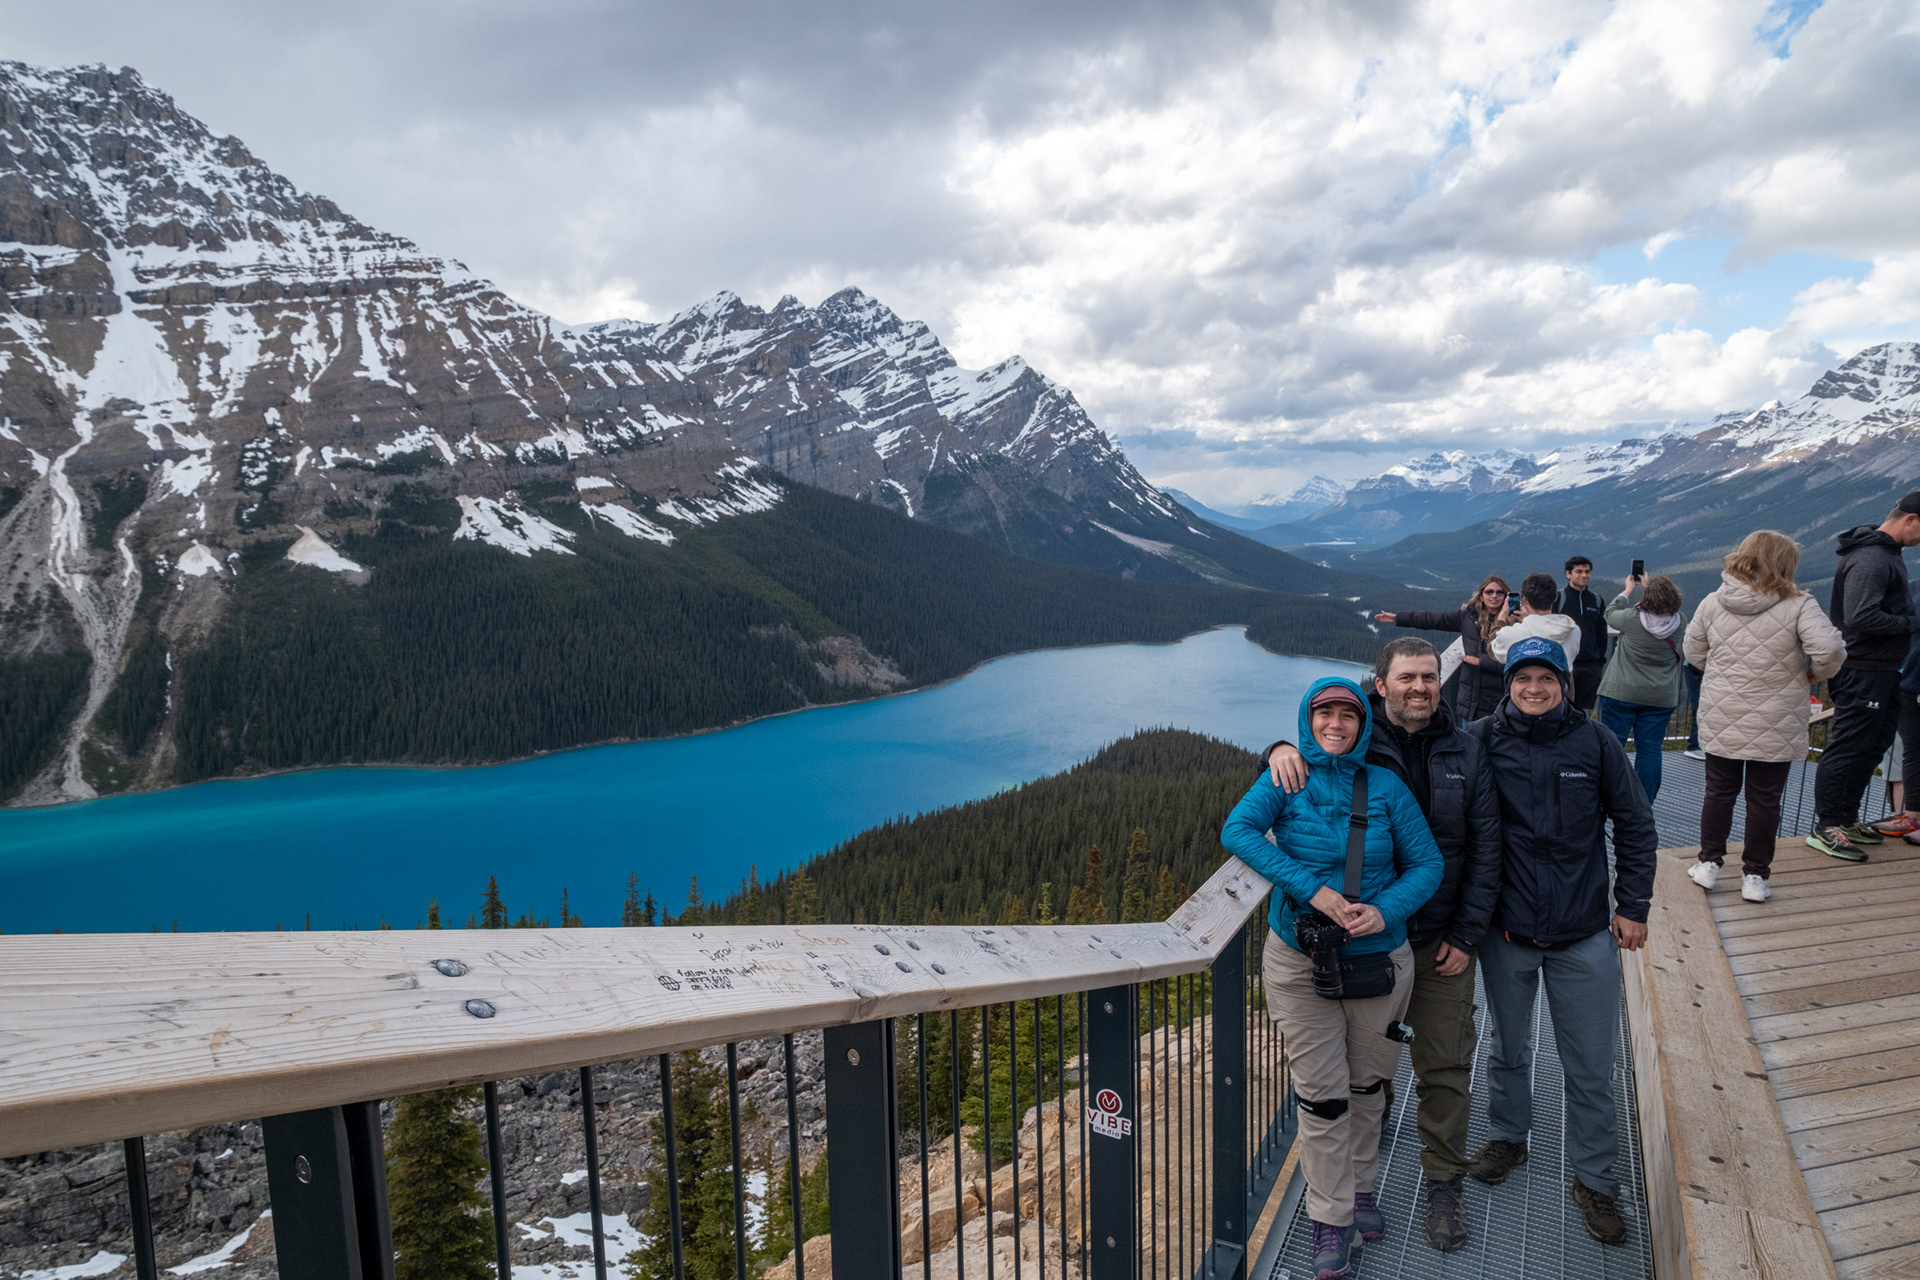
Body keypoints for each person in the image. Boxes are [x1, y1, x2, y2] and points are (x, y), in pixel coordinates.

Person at [1261, 638, 1503, 1252]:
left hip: (1439, 938)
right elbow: (1311, 761)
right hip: (1366, 945)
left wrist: (1466, 934)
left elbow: (1484, 849)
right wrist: (1277, 749)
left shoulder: (1467, 749)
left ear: (1441, 681)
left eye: (1429, 677)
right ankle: (1351, 1194)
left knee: (1443, 1065)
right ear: (1382, 684)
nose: (1419, 687)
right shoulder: (1358, 737)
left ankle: (1442, 1181)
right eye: (1407, 677)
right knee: (1369, 1078)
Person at [1221, 678, 1444, 1279]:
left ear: (1363, 724)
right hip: (1301, 962)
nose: (1336, 725)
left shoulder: (1387, 787)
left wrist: (1384, 911)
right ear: (1307, 720)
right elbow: (1237, 830)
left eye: (1348, 715)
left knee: (1368, 1087)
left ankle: (1361, 1187)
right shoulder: (1285, 777)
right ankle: (1330, 1216)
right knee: (1322, 1097)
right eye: (1324, 714)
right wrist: (1312, 890)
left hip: (1379, 960)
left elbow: (1427, 863)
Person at [1463, 637, 1657, 1247]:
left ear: (1565, 685)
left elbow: (1635, 823)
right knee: (1507, 1048)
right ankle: (1508, 1138)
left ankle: (1596, 1180)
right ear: (1509, 684)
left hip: (1583, 930)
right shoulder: (1479, 739)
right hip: (1508, 928)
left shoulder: (1595, 743)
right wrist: (1283, 752)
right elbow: (1402, 745)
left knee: (1592, 1066)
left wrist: (1632, 906)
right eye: (1523, 678)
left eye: (1547, 678)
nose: (1534, 689)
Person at [1684, 533, 1846, 899]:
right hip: (1777, 715)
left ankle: (1709, 863)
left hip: (1723, 709)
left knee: (1719, 791)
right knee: (1765, 799)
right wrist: (1813, 674)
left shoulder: (1713, 601)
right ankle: (1755, 877)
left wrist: (1720, 672)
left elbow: (1693, 650)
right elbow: (1831, 648)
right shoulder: (1799, 604)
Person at [1809, 492, 1920, 861]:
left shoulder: (1887, 554)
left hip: (1884, 668)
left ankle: (1847, 817)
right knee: (1849, 746)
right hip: (1862, 668)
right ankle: (1828, 825)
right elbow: (1860, 616)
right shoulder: (1873, 557)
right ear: (1910, 519)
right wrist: (1912, 623)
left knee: (1872, 746)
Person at [1596, 572, 1688, 804]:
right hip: (1660, 696)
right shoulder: (1680, 621)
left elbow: (1609, 613)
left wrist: (1628, 590)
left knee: (1612, 745)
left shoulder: (1632, 618)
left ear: (1648, 599)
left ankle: (1606, 797)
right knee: (1650, 749)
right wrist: (1650, 589)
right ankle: (1644, 804)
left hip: (1621, 691)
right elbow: (1659, 610)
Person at [1374, 576, 1515, 722]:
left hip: (1499, 700)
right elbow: (1432, 619)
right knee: (1470, 735)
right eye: (1489, 592)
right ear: (1481, 595)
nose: (1494, 596)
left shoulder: (1514, 623)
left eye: (1499, 593)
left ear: (1506, 597)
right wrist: (1397, 618)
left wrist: (1481, 662)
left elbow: (1515, 663)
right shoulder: (1468, 617)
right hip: (1469, 702)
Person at [1489, 572, 1579, 675]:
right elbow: (1543, 628)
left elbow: (1493, 649)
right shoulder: (1573, 630)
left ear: (1525, 600)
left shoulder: (1511, 634)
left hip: (1526, 684)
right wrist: (1529, 619)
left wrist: (1501, 618)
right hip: (1559, 684)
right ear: (1555, 598)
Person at [1559, 556, 1608, 712]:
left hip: (1590, 666)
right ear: (1568, 574)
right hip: (1565, 665)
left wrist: (1599, 662)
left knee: (1584, 713)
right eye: (1579, 572)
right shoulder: (1559, 598)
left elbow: (1601, 633)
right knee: (1561, 708)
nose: (1584, 575)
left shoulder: (1596, 600)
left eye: (1587, 572)